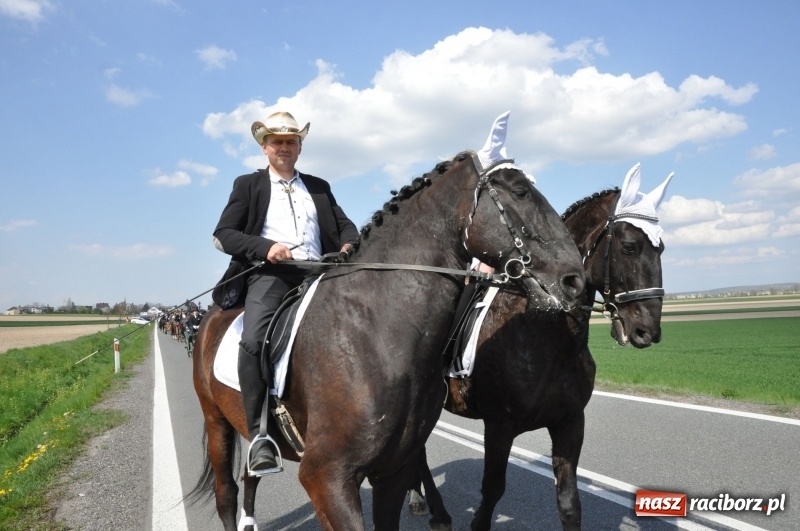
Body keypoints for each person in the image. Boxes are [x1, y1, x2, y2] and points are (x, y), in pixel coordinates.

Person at [211, 111, 358, 474]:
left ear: (299, 148)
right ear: (264, 148)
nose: (284, 148)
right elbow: (223, 234)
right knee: (254, 338)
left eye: (291, 142)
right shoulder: (248, 185)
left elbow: (345, 226)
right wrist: (265, 247)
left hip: (320, 271)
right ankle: (261, 435)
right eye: (277, 142)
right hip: (272, 273)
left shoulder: (319, 187)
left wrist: (348, 246)